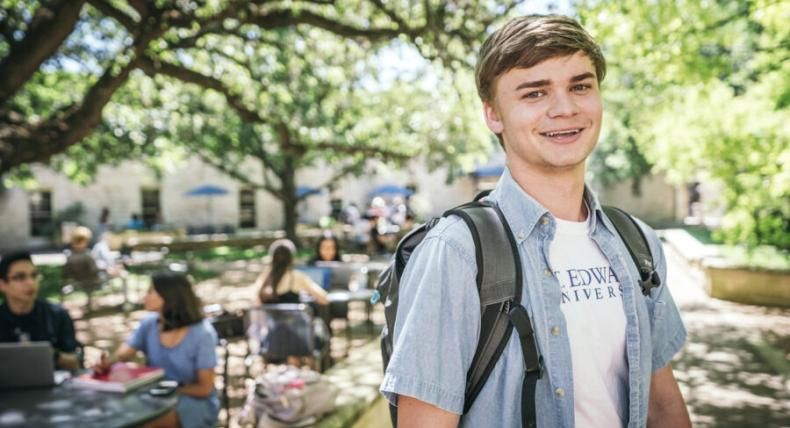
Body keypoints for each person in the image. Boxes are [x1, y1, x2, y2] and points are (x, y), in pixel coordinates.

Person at [380, 15, 690, 428]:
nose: (565, 109)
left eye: (580, 86)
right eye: (535, 93)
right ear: (493, 114)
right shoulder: (456, 253)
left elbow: (664, 408)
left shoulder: (638, 243)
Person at [95, 271, 219, 428]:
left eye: (150, 291)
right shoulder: (149, 325)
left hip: (192, 401)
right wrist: (108, 363)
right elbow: (123, 354)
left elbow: (204, 389)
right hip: (155, 397)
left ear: (169, 296)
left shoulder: (202, 333)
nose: (143, 297)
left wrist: (163, 389)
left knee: (141, 424)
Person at [0, 251, 81, 370]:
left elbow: (75, 363)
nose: (30, 283)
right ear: (2, 285)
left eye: (34, 275)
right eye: (20, 277)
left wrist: (50, 355)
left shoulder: (57, 315)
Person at [255, 239, 329, 306]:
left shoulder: (265, 277)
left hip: (269, 320)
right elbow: (324, 299)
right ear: (291, 258)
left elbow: (255, 300)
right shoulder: (297, 276)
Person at [62, 226, 102, 311]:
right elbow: (94, 270)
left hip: (75, 281)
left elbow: (66, 271)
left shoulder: (69, 256)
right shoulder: (87, 256)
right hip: (91, 281)